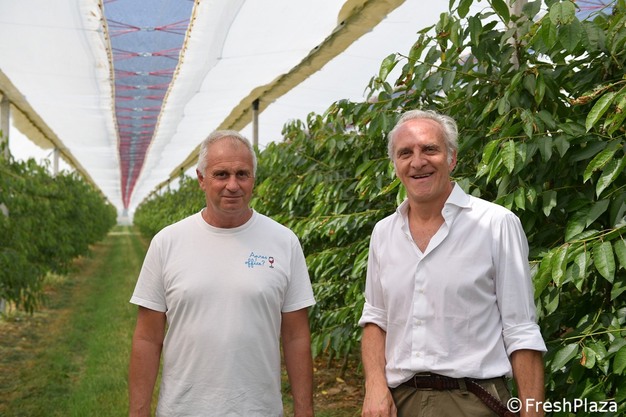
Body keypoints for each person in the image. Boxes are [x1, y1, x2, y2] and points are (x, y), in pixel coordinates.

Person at [359, 109, 546, 417]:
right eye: (405, 153)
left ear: (452, 158)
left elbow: (520, 329)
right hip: (399, 402)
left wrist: (532, 411)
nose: (418, 161)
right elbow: (376, 319)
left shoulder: (496, 224)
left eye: (430, 149)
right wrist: (375, 385)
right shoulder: (384, 233)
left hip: (474, 401)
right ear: (395, 165)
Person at [128, 130, 316, 417]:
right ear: (201, 179)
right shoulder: (167, 242)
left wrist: (304, 410)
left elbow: (296, 336)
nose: (233, 185)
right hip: (183, 410)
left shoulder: (283, 242)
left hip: (258, 410)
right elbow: (147, 338)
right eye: (221, 174)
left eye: (242, 174)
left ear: (254, 179)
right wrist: (138, 412)